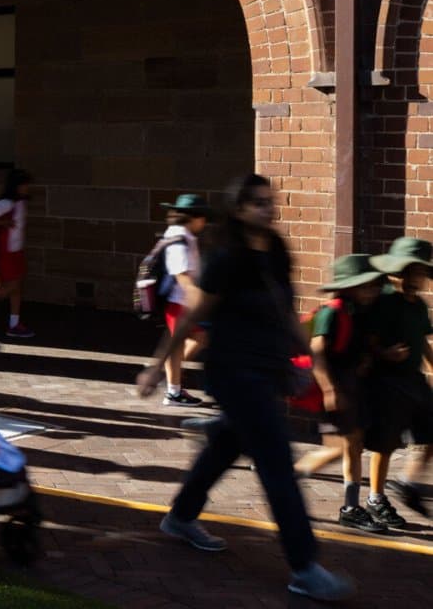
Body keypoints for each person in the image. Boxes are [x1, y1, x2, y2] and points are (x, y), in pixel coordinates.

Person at [137, 173, 354, 602]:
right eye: (257, 203)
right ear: (238, 209)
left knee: (228, 445)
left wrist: (308, 361)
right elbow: (190, 315)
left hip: (266, 369)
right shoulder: (226, 258)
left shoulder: (274, 251)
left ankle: (181, 514)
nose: (267, 209)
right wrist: (156, 365)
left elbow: (285, 310)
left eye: (270, 201)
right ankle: (304, 567)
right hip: (234, 372)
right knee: (276, 461)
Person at [294, 254, 385, 530]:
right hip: (334, 389)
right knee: (339, 450)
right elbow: (318, 353)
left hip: (351, 388)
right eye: (365, 285)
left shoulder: (360, 313)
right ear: (349, 286)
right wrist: (329, 389)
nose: (371, 290)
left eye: (373, 285)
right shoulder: (332, 313)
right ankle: (285, 478)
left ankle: (351, 507)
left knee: (353, 446)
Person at [364, 236, 433, 528]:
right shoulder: (386, 303)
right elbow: (369, 343)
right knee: (386, 442)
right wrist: (385, 353)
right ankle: (375, 496)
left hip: (413, 380)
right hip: (387, 381)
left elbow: (424, 342)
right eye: (410, 272)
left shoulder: (419, 306)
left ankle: (408, 483)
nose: (415, 279)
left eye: (421, 273)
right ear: (400, 272)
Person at [158, 193, 211, 404]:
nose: (205, 222)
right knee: (189, 341)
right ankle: (173, 388)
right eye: (203, 217)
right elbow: (180, 272)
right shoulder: (179, 238)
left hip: (180, 301)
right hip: (180, 301)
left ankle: (173, 380)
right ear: (194, 217)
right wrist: (195, 296)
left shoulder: (180, 234)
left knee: (190, 341)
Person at [0, 167, 36, 339]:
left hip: (16, 250)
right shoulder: (7, 203)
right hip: (7, 251)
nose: (27, 188)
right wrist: (2, 223)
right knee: (11, 286)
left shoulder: (20, 202)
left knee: (17, 287)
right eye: (24, 185)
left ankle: (14, 323)